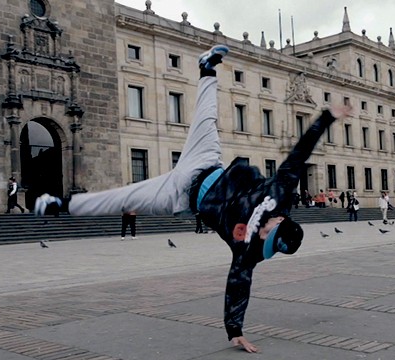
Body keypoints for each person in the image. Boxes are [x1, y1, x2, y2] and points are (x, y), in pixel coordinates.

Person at [33, 45, 353, 353]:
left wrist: (235, 331)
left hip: (180, 195)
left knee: (123, 198)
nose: (262, 240)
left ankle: (58, 204)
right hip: (204, 163)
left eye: (267, 245)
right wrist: (326, 118)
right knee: (206, 118)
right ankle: (207, 69)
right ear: (280, 220)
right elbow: (299, 156)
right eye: (270, 237)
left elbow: (239, 283)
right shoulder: (279, 194)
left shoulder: (250, 249)